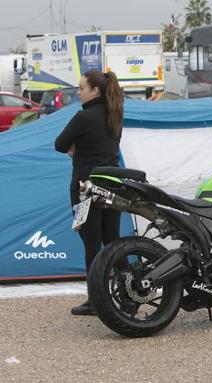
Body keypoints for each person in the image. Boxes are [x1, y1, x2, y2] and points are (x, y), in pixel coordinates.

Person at [54, 70, 124, 316]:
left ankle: (96, 299)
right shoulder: (115, 113)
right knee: (113, 241)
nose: (78, 93)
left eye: (81, 88)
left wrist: (75, 145)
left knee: (91, 243)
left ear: (95, 90)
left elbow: (60, 144)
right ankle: (126, 292)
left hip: (86, 186)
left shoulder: (83, 117)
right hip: (113, 185)